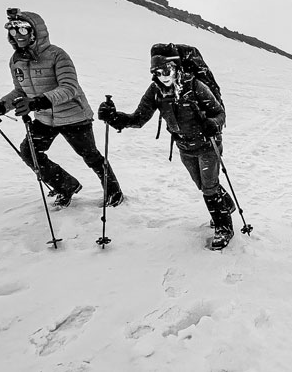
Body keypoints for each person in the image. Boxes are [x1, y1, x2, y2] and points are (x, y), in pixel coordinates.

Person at [0, 8, 124, 208]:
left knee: (90, 156)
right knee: (29, 152)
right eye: (12, 31)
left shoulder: (57, 55)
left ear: (35, 31)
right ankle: (65, 186)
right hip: (45, 118)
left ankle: (114, 192)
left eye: (23, 30)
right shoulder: (16, 61)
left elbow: (69, 88)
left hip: (74, 116)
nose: (17, 36)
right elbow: (20, 91)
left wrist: (36, 103)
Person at [97, 46, 236, 250]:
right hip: (184, 147)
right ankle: (225, 206)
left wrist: (213, 124)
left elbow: (219, 113)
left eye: (166, 71)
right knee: (202, 185)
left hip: (208, 145)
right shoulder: (155, 91)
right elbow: (139, 118)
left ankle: (224, 227)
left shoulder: (195, 86)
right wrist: (115, 118)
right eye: (156, 72)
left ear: (176, 68)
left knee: (209, 187)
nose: (162, 77)